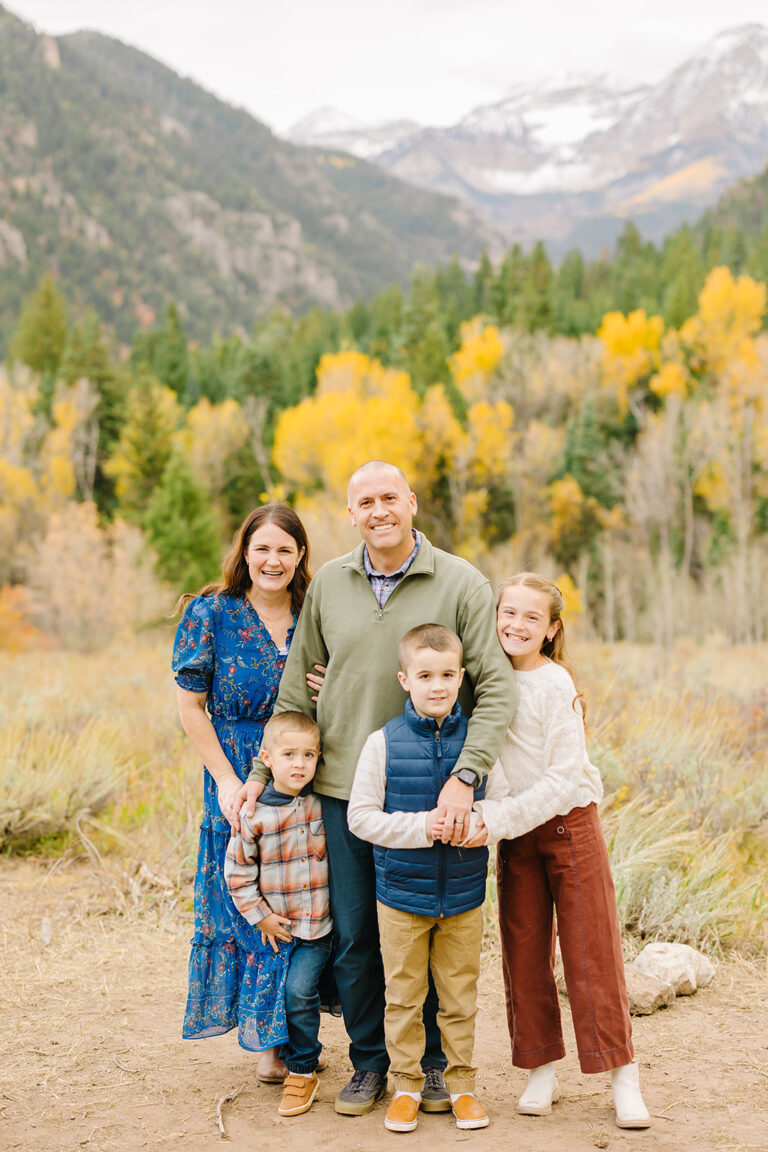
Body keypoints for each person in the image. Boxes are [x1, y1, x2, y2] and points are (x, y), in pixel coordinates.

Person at [235, 461, 516, 1115]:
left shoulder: (462, 582)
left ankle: (438, 1069)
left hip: (434, 795)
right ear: (351, 512)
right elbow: (292, 687)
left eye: (390, 497)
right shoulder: (331, 583)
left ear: (412, 501)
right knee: (360, 939)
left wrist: (466, 776)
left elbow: (495, 688)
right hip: (340, 792)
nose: (379, 509)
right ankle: (370, 1065)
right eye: (365, 501)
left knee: (435, 933)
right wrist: (258, 774)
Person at [465, 572, 651, 1130]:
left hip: (570, 826)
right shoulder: (484, 681)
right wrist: (500, 818)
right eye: (508, 613)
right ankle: (539, 1067)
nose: (516, 625)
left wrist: (496, 819)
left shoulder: (555, 685)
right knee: (523, 949)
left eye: (530, 617)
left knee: (590, 951)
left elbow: (564, 778)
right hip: (516, 832)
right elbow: (486, 758)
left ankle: (622, 1076)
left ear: (550, 630)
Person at [172, 503, 316, 1081]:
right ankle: (266, 1041)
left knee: (297, 893)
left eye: (285, 549)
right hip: (235, 777)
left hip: (303, 778)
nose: (273, 560)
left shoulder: (315, 614)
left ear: (300, 556)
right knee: (249, 892)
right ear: (245, 552)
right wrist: (227, 780)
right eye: (263, 548)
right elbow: (190, 706)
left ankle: (296, 1026)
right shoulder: (212, 613)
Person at [347, 625, 491, 1133]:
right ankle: (407, 1086)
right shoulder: (382, 742)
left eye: (447, 675)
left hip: (466, 895)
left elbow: (502, 803)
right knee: (404, 996)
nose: (437, 686)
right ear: (404, 679)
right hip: (401, 895)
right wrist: (422, 827)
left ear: (461, 677)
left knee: (458, 996)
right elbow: (361, 818)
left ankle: (461, 1085)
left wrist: (478, 823)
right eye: (425, 675)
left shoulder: (479, 740)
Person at [224, 711, 331, 1117]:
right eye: (289, 754)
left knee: (302, 992)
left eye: (309, 754)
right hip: (277, 929)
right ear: (266, 757)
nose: (299, 764)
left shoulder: (322, 804)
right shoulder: (255, 815)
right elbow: (236, 872)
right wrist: (259, 916)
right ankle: (300, 1063)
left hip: (320, 926)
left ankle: (303, 1066)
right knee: (283, 995)